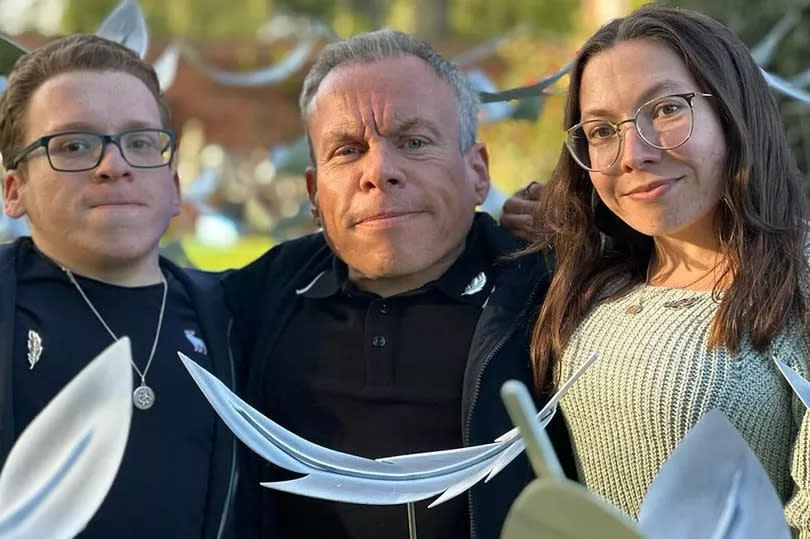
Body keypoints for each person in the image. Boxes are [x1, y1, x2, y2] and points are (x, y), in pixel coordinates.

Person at [223, 29, 574, 539]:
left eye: (413, 142)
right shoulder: (246, 305)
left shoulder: (557, 296)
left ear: (478, 171)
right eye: (347, 150)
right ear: (313, 193)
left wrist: (597, 244)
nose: (381, 171)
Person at [523, 4, 809, 534]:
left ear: (733, 109)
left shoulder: (798, 288)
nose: (633, 153)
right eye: (601, 130)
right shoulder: (590, 282)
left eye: (667, 109)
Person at [0, 35, 239, 538]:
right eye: (73, 145)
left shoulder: (244, 320)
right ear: (13, 190)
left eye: (140, 142)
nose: (114, 165)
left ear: (174, 188)